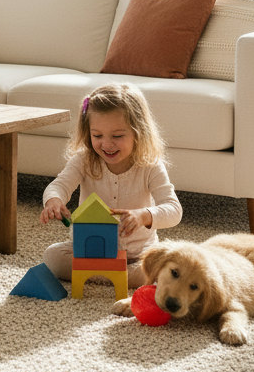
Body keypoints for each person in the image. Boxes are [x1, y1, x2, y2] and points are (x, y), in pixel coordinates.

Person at [39, 83, 182, 289]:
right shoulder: (84, 159)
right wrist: (54, 200)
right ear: (88, 132)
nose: (106, 144)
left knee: (163, 265)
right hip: (89, 251)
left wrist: (143, 215)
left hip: (138, 254)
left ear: (139, 132)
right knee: (52, 256)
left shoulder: (150, 165)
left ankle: (96, 274)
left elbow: (174, 210)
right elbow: (60, 185)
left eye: (117, 136)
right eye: (97, 136)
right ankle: (115, 276)